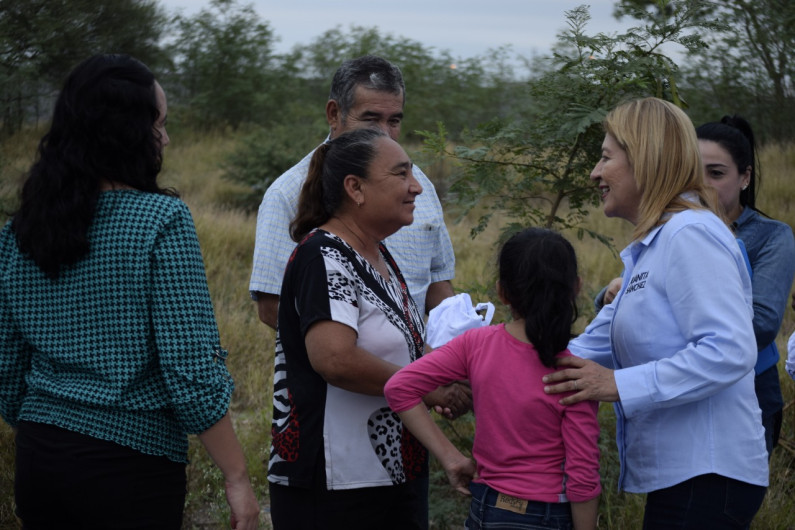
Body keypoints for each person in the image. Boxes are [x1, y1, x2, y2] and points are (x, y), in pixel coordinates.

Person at [0, 54, 259, 529]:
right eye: (159, 123)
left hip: (40, 457)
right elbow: (191, 367)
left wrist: (50, 421)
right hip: (127, 467)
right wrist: (237, 476)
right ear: (128, 132)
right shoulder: (161, 222)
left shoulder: (19, 231)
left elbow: (7, 363)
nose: (166, 137)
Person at [543, 97, 768, 529]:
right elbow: (579, 352)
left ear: (644, 160)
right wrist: (476, 366)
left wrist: (617, 384)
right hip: (684, 479)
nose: (595, 173)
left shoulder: (691, 233)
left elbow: (729, 350)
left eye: (606, 157)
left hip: (708, 474)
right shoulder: (652, 248)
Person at [267, 128, 464, 529]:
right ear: (355, 188)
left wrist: (456, 381)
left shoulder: (381, 258)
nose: (416, 189)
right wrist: (424, 386)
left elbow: (404, 351)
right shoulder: (323, 256)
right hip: (336, 485)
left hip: (391, 476)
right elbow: (335, 358)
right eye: (401, 175)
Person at [385, 228, 601, 530]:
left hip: (487, 509)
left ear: (501, 292)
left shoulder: (475, 345)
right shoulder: (578, 375)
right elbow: (582, 476)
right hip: (547, 515)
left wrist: (450, 458)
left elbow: (399, 388)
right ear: (576, 288)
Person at [250, 55, 456, 328]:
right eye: (371, 119)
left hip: (416, 368)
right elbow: (272, 306)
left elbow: (435, 283)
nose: (383, 133)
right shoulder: (289, 194)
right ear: (334, 114)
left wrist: (462, 339)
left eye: (393, 121)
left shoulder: (420, 187)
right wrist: (353, 354)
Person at [696, 115, 795, 457]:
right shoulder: (672, 228)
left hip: (750, 387)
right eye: (693, 173)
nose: (703, 185)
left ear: (745, 177)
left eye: (717, 173)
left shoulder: (771, 236)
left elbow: (762, 324)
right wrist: (608, 294)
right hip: (684, 387)